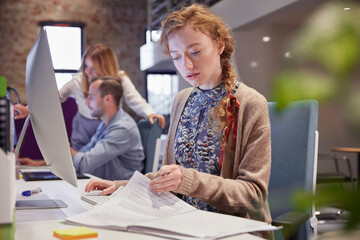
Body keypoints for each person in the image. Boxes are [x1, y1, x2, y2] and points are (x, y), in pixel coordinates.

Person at [85, 4, 272, 238]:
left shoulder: (250, 103)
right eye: (176, 57)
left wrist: (189, 181)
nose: (187, 65)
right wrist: (122, 187)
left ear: (219, 45)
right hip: (181, 223)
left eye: (195, 52)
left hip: (231, 229)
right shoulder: (181, 100)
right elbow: (171, 178)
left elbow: (253, 195)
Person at [13, 44, 165, 151]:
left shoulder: (120, 78)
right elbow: (55, 99)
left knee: (99, 161)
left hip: (108, 125)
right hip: (83, 126)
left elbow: (134, 99)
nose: (88, 73)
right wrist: (29, 110)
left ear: (105, 69)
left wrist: (149, 113)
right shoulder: (78, 80)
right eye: (86, 67)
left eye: (94, 69)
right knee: (82, 161)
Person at [21, 76, 145, 180]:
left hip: (118, 190)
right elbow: (84, 153)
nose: (86, 103)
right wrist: (40, 165)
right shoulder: (105, 124)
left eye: (91, 97)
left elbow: (85, 164)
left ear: (107, 99)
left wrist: (64, 145)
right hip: (101, 181)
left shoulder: (122, 128)